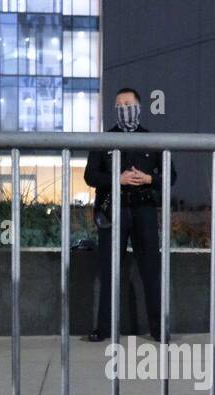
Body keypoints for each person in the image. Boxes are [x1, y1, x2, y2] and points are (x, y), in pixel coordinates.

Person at [82, 87, 174, 342]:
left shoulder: (151, 140)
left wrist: (149, 178)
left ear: (139, 107)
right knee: (109, 270)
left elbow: (171, 176)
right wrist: (117, 178)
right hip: (114, 210)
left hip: (143, 210)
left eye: (128, 104)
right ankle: (104, 329)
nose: (124, 109)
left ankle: (159, 330)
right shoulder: (104, 140)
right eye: (119, 105)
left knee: (151, 270)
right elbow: (90, 176)